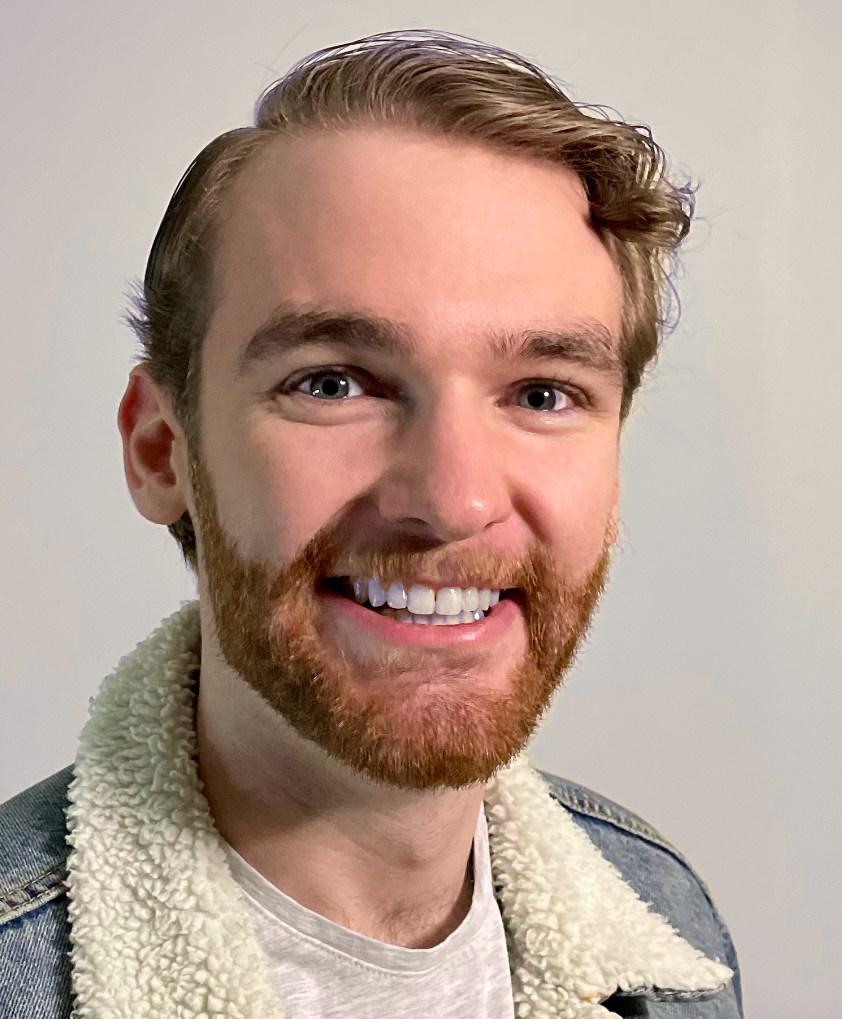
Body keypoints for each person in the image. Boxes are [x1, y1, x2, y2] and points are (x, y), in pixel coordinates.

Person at [0, 30, 743, 1019]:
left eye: (540, 392)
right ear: (160, 450)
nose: (452, 497)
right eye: (331, 381)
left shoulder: (665, 920)